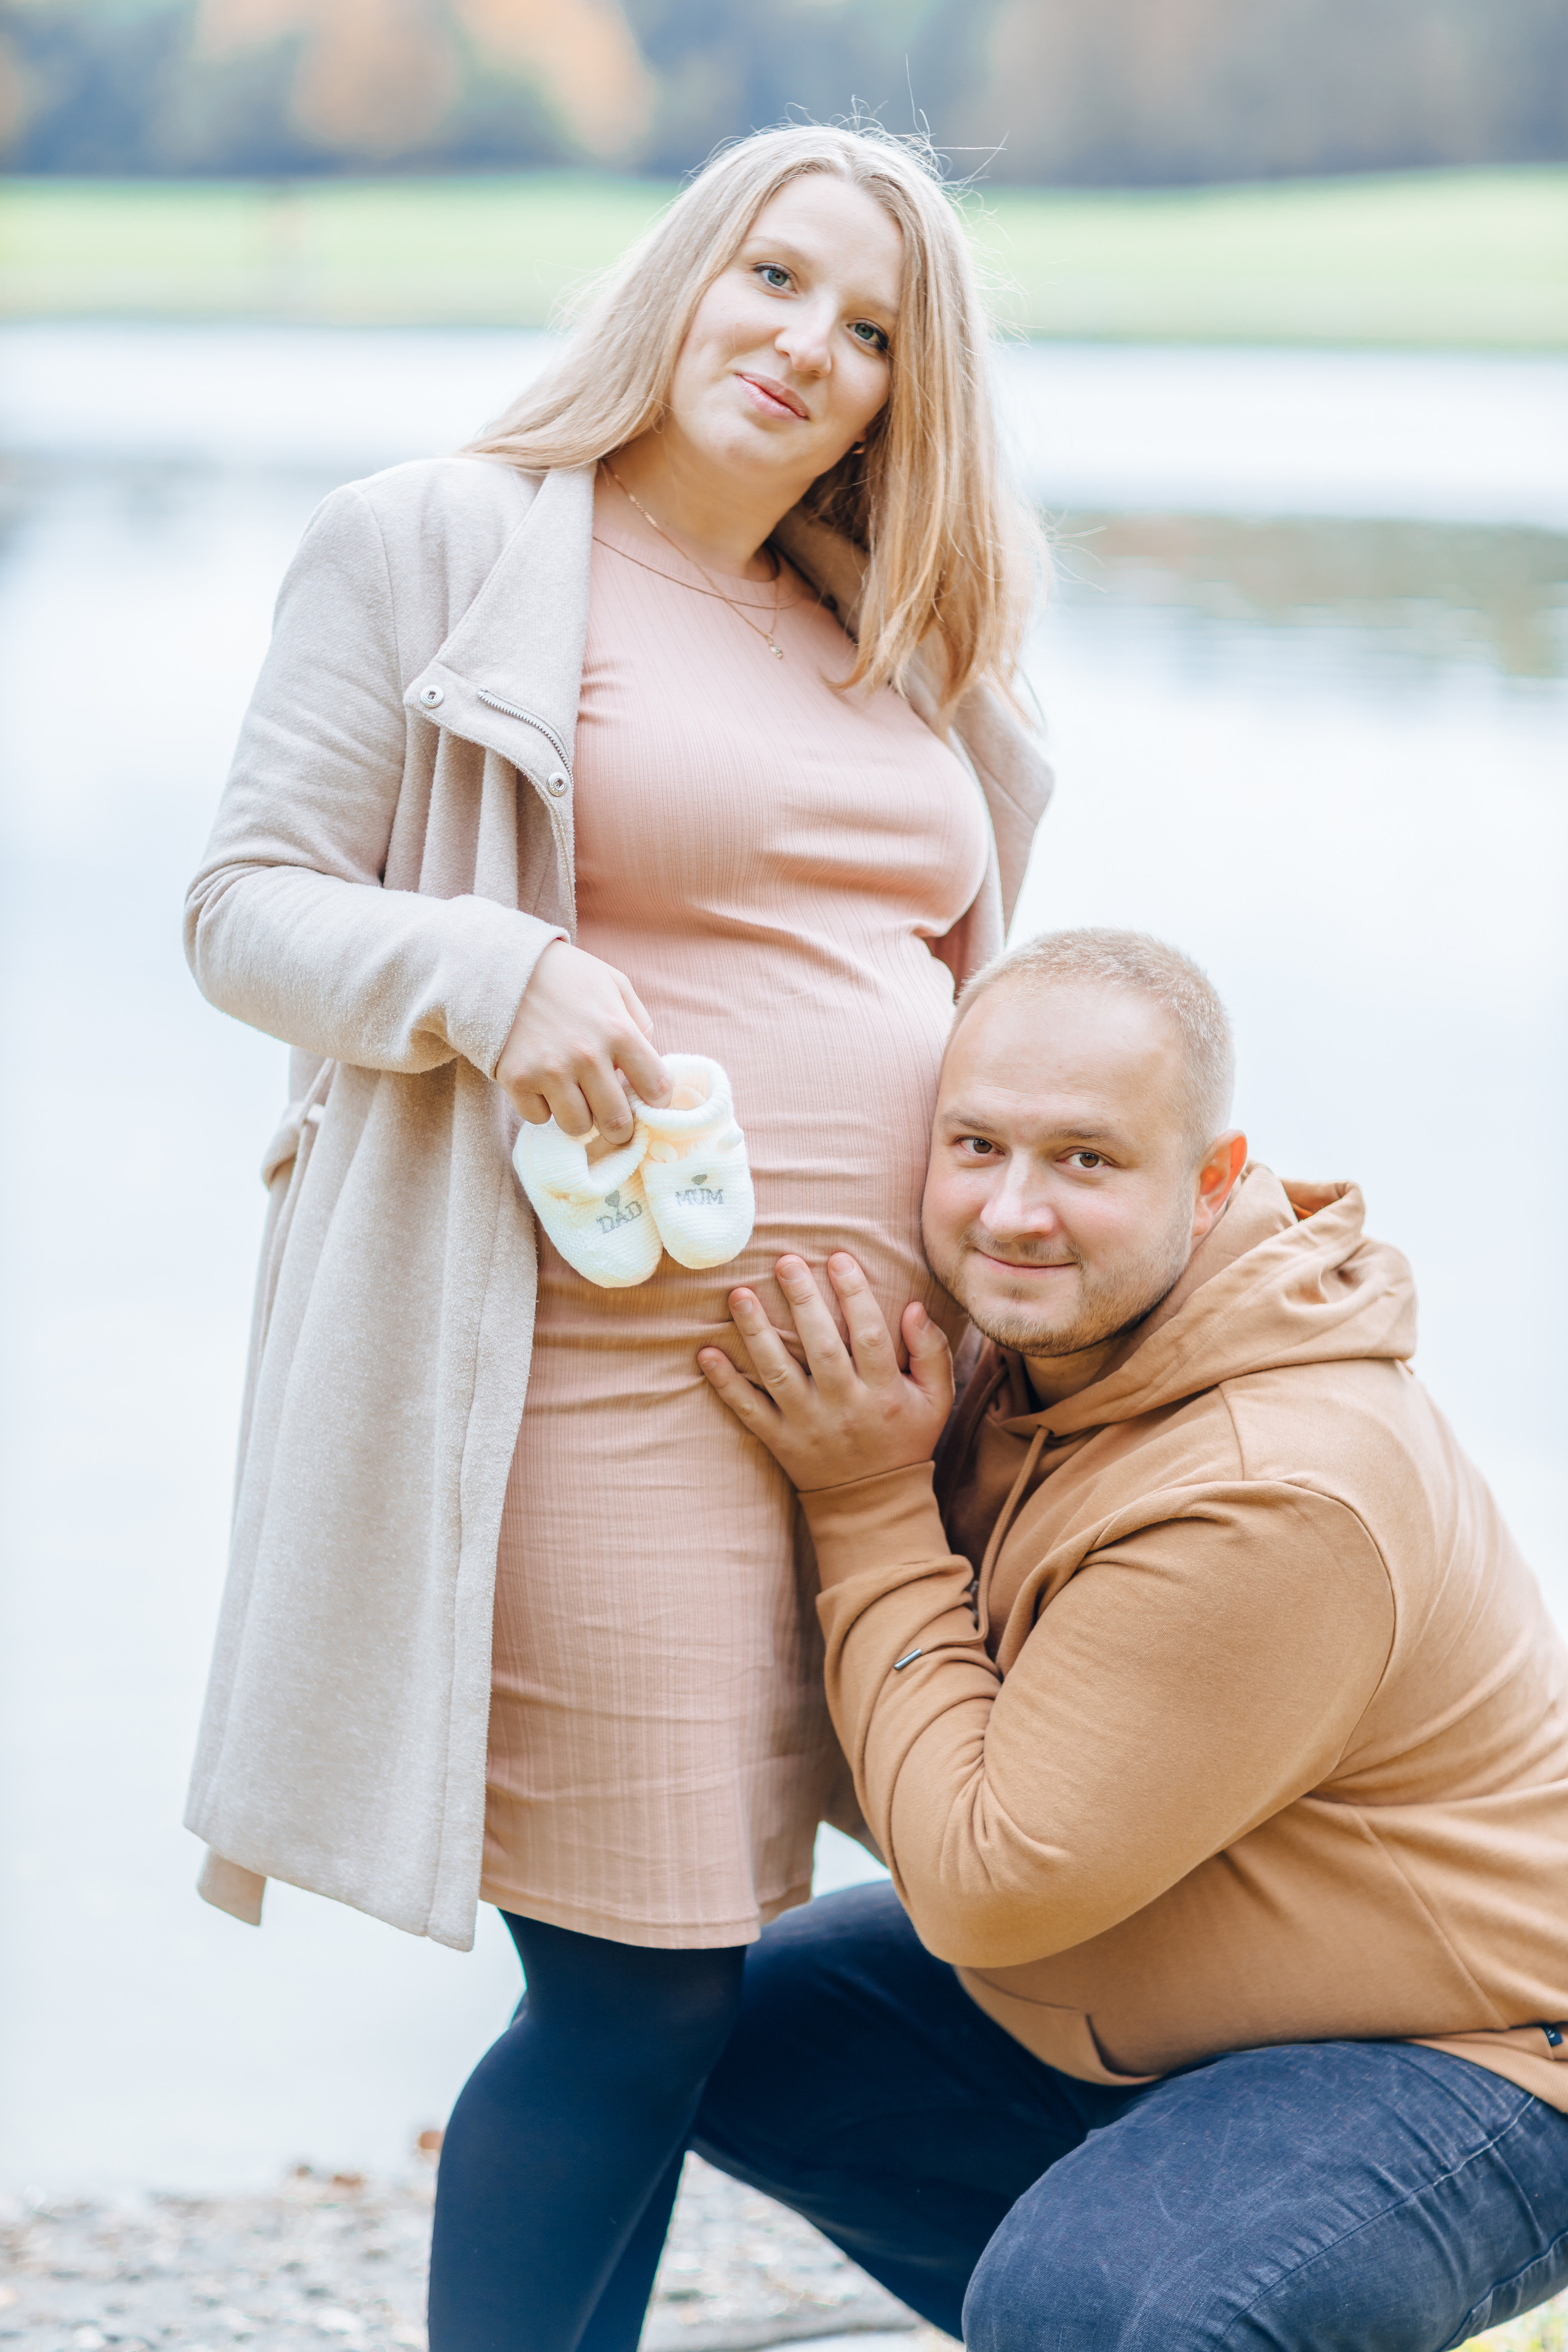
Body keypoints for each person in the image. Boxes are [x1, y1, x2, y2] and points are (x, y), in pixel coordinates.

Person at [180, 122, 1050, 2352]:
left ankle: (1150, 2294)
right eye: (775, 281)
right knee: (645, 1983)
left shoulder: (885, 625)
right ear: (681, 276)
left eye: (872, 332)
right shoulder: (439, 543)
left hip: (893, 1407)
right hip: (597, 1381)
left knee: (970, 1919)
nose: (810, 350)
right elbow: (244, 909)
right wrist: (493, 972)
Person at [692, 927, 1568, 2352]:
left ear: (1210, 1180)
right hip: (1191, 1997)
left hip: (1469, 2048)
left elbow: (980, 1887)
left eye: (1086, 1162)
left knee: (1098, 2304)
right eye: (975, 1146)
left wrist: (859, 1496)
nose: (1015, 1213)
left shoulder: (1273, 1489)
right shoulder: (1029, 1360)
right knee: (735, 2037)